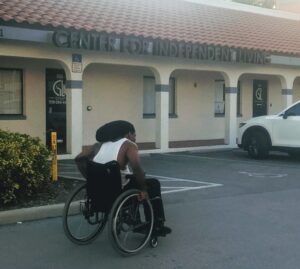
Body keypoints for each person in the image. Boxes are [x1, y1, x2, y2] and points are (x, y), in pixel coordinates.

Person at [75, 120, 171, 236]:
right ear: (128, 134)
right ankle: (156, 224)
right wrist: (144, 190)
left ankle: (134, 218)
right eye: (134, 135)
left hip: (97, 190)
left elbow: (78, 159)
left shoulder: (98, 145)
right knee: (152, 184)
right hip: (117, 191)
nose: (135, 138)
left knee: (133, 181)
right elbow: (136, 168)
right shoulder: (128, 145)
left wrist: (89, 178)